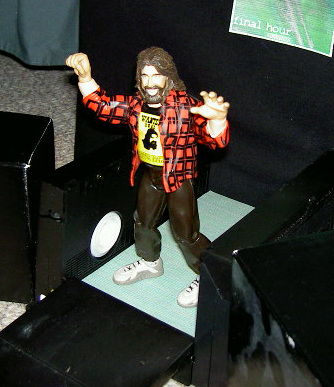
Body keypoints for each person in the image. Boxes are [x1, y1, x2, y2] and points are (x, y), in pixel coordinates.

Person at [66, 47, 230, 307]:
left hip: (178, 177)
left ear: (168, 77)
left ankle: (211, 277)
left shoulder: (186, 107)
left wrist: (218, 120)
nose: (150, 82)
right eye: (144, 76)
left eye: (156, 75)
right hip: (150, 174)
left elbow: (214, 141)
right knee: (142, 222)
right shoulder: (135, 105)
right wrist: (86, 79)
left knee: (186, 233)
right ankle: (150, 262)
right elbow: (105, 106)